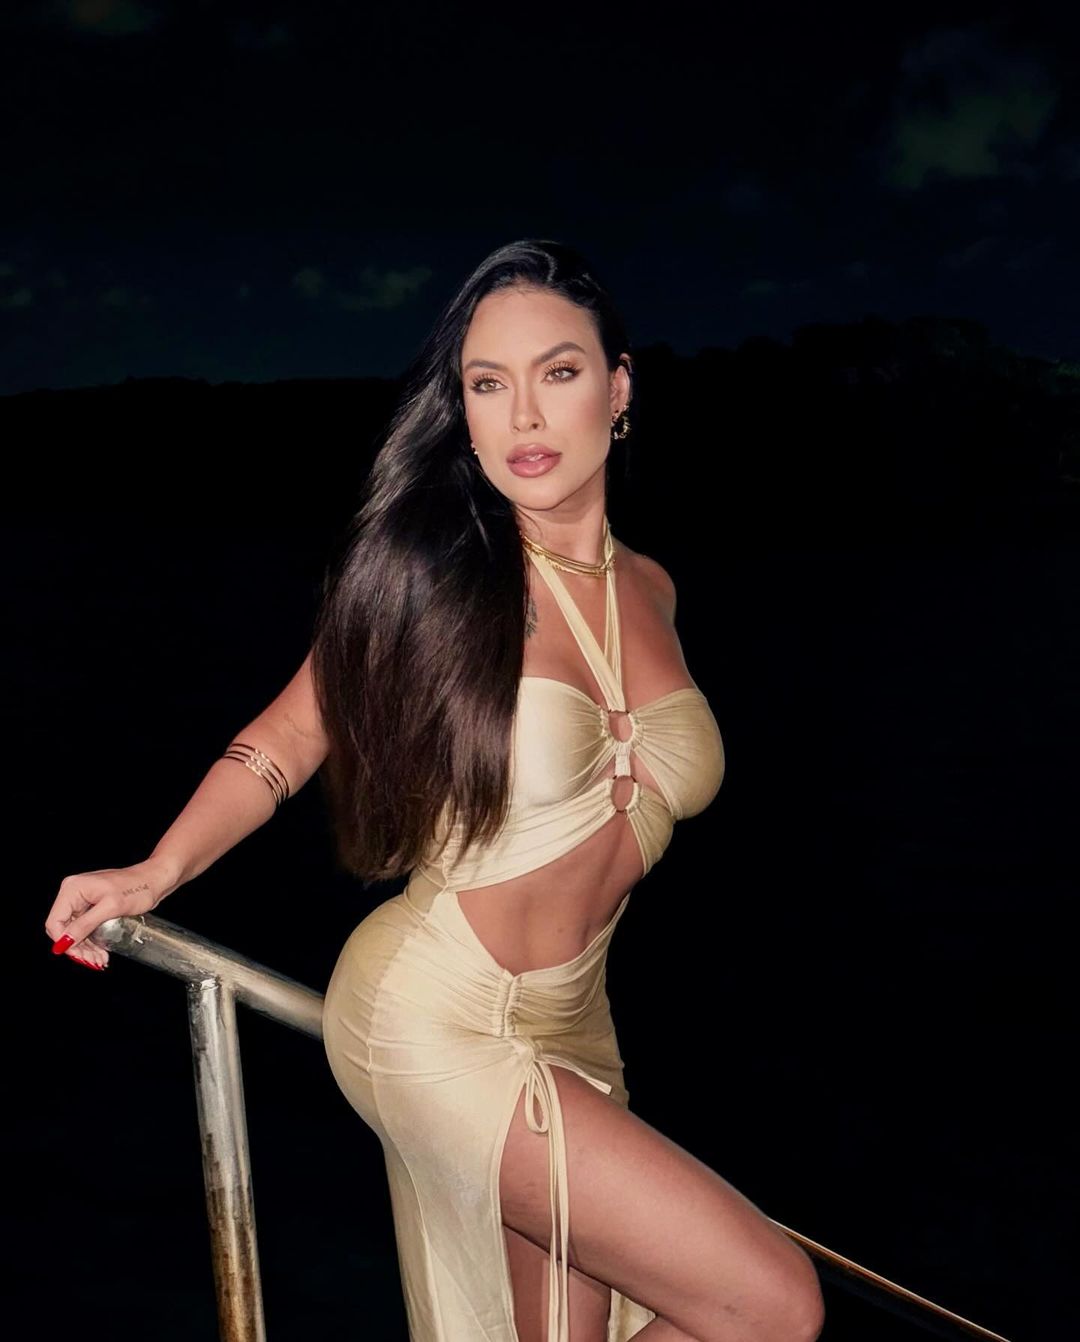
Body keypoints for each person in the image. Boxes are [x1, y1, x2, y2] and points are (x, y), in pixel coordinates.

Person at [45, 239, 825, 1342]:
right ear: (461, 410)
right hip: (441, 1012)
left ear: (619, 388)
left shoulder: (654, 588)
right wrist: (155, 870)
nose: (524, 416)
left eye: (558, 372)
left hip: (579, 1026)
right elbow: (290, 735)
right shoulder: (437, 575)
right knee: (773, 1303)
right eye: (487, 384)